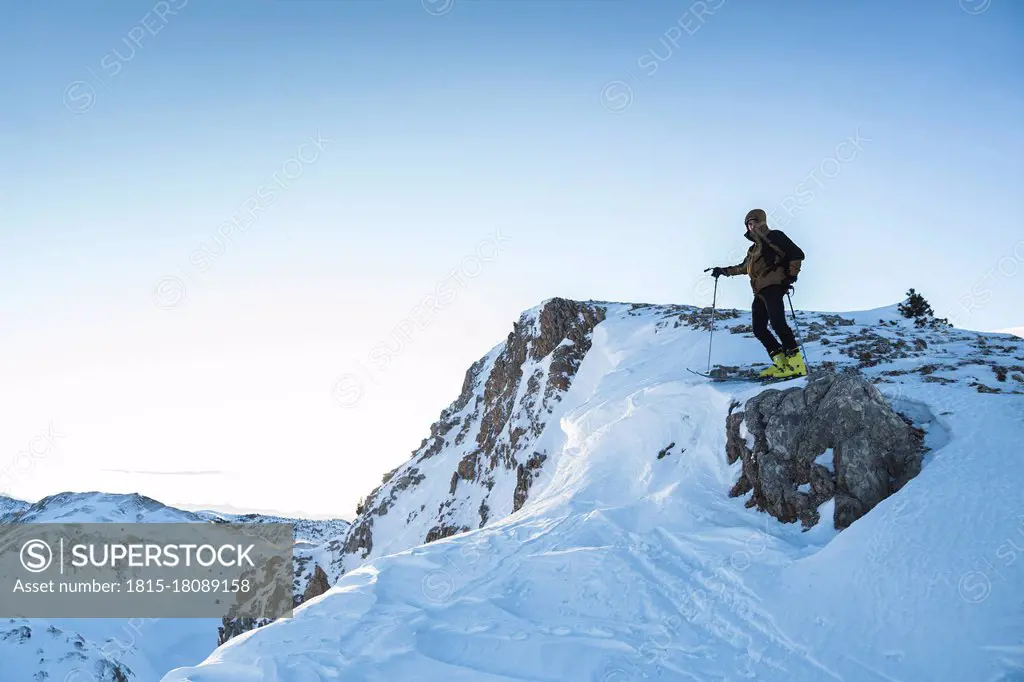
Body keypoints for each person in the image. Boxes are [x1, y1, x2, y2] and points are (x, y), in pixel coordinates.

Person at [711, 208, 807, 379]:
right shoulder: (752, 249)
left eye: (753, 222)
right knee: (758, 329)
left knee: (778, 323)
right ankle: (782, 363)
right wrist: (722, 271)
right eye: (748, 224)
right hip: (759, 291)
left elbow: (797, 254)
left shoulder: (774, 236)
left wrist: (790, 277)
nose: (750, 226)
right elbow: (742, 268)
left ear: (761, 221)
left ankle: (797, 364)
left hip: (774, 286)